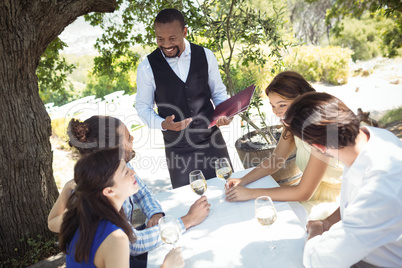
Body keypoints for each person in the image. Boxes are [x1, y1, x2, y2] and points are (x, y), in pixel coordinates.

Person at [48, 116, 210, 266]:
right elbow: (134, 243)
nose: (132, 173)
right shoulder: (113, 234)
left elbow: (53, 221)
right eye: (127, 137)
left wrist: (155, 214)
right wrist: (186, 221)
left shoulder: (95, 192)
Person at [283, 92, 402, 267]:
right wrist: (328, 222)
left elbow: (319, 261)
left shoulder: (379, 191)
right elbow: (354, 200)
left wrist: (315, 232)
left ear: (317, 147)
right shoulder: (370, 137)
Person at [135, 8, 232, 189]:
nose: (166, 44)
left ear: (185, 32)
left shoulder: (206, 56)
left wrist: (224, 113)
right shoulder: (146, 68)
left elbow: (218, 93)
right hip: (178, 152)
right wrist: (163, 123)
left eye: (172, 38)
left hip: (213, 143)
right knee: (190, 206)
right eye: (160, 39)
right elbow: (143, 108)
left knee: (228, 192)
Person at [225, 71, 343, 208]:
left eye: (282, 105)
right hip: (314, 190)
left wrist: (250, 193)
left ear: (302, 100)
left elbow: (303, 193)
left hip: (336, 199)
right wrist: (242, 180)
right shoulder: (293, 124)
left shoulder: (322, 129)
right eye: (273, 105)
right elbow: (275, 160)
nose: (276, 112)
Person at [58, 147, 184, 267]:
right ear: (109, 191)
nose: (133, 172)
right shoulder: (116, 238)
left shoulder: (82, 214)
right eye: (125, 172)